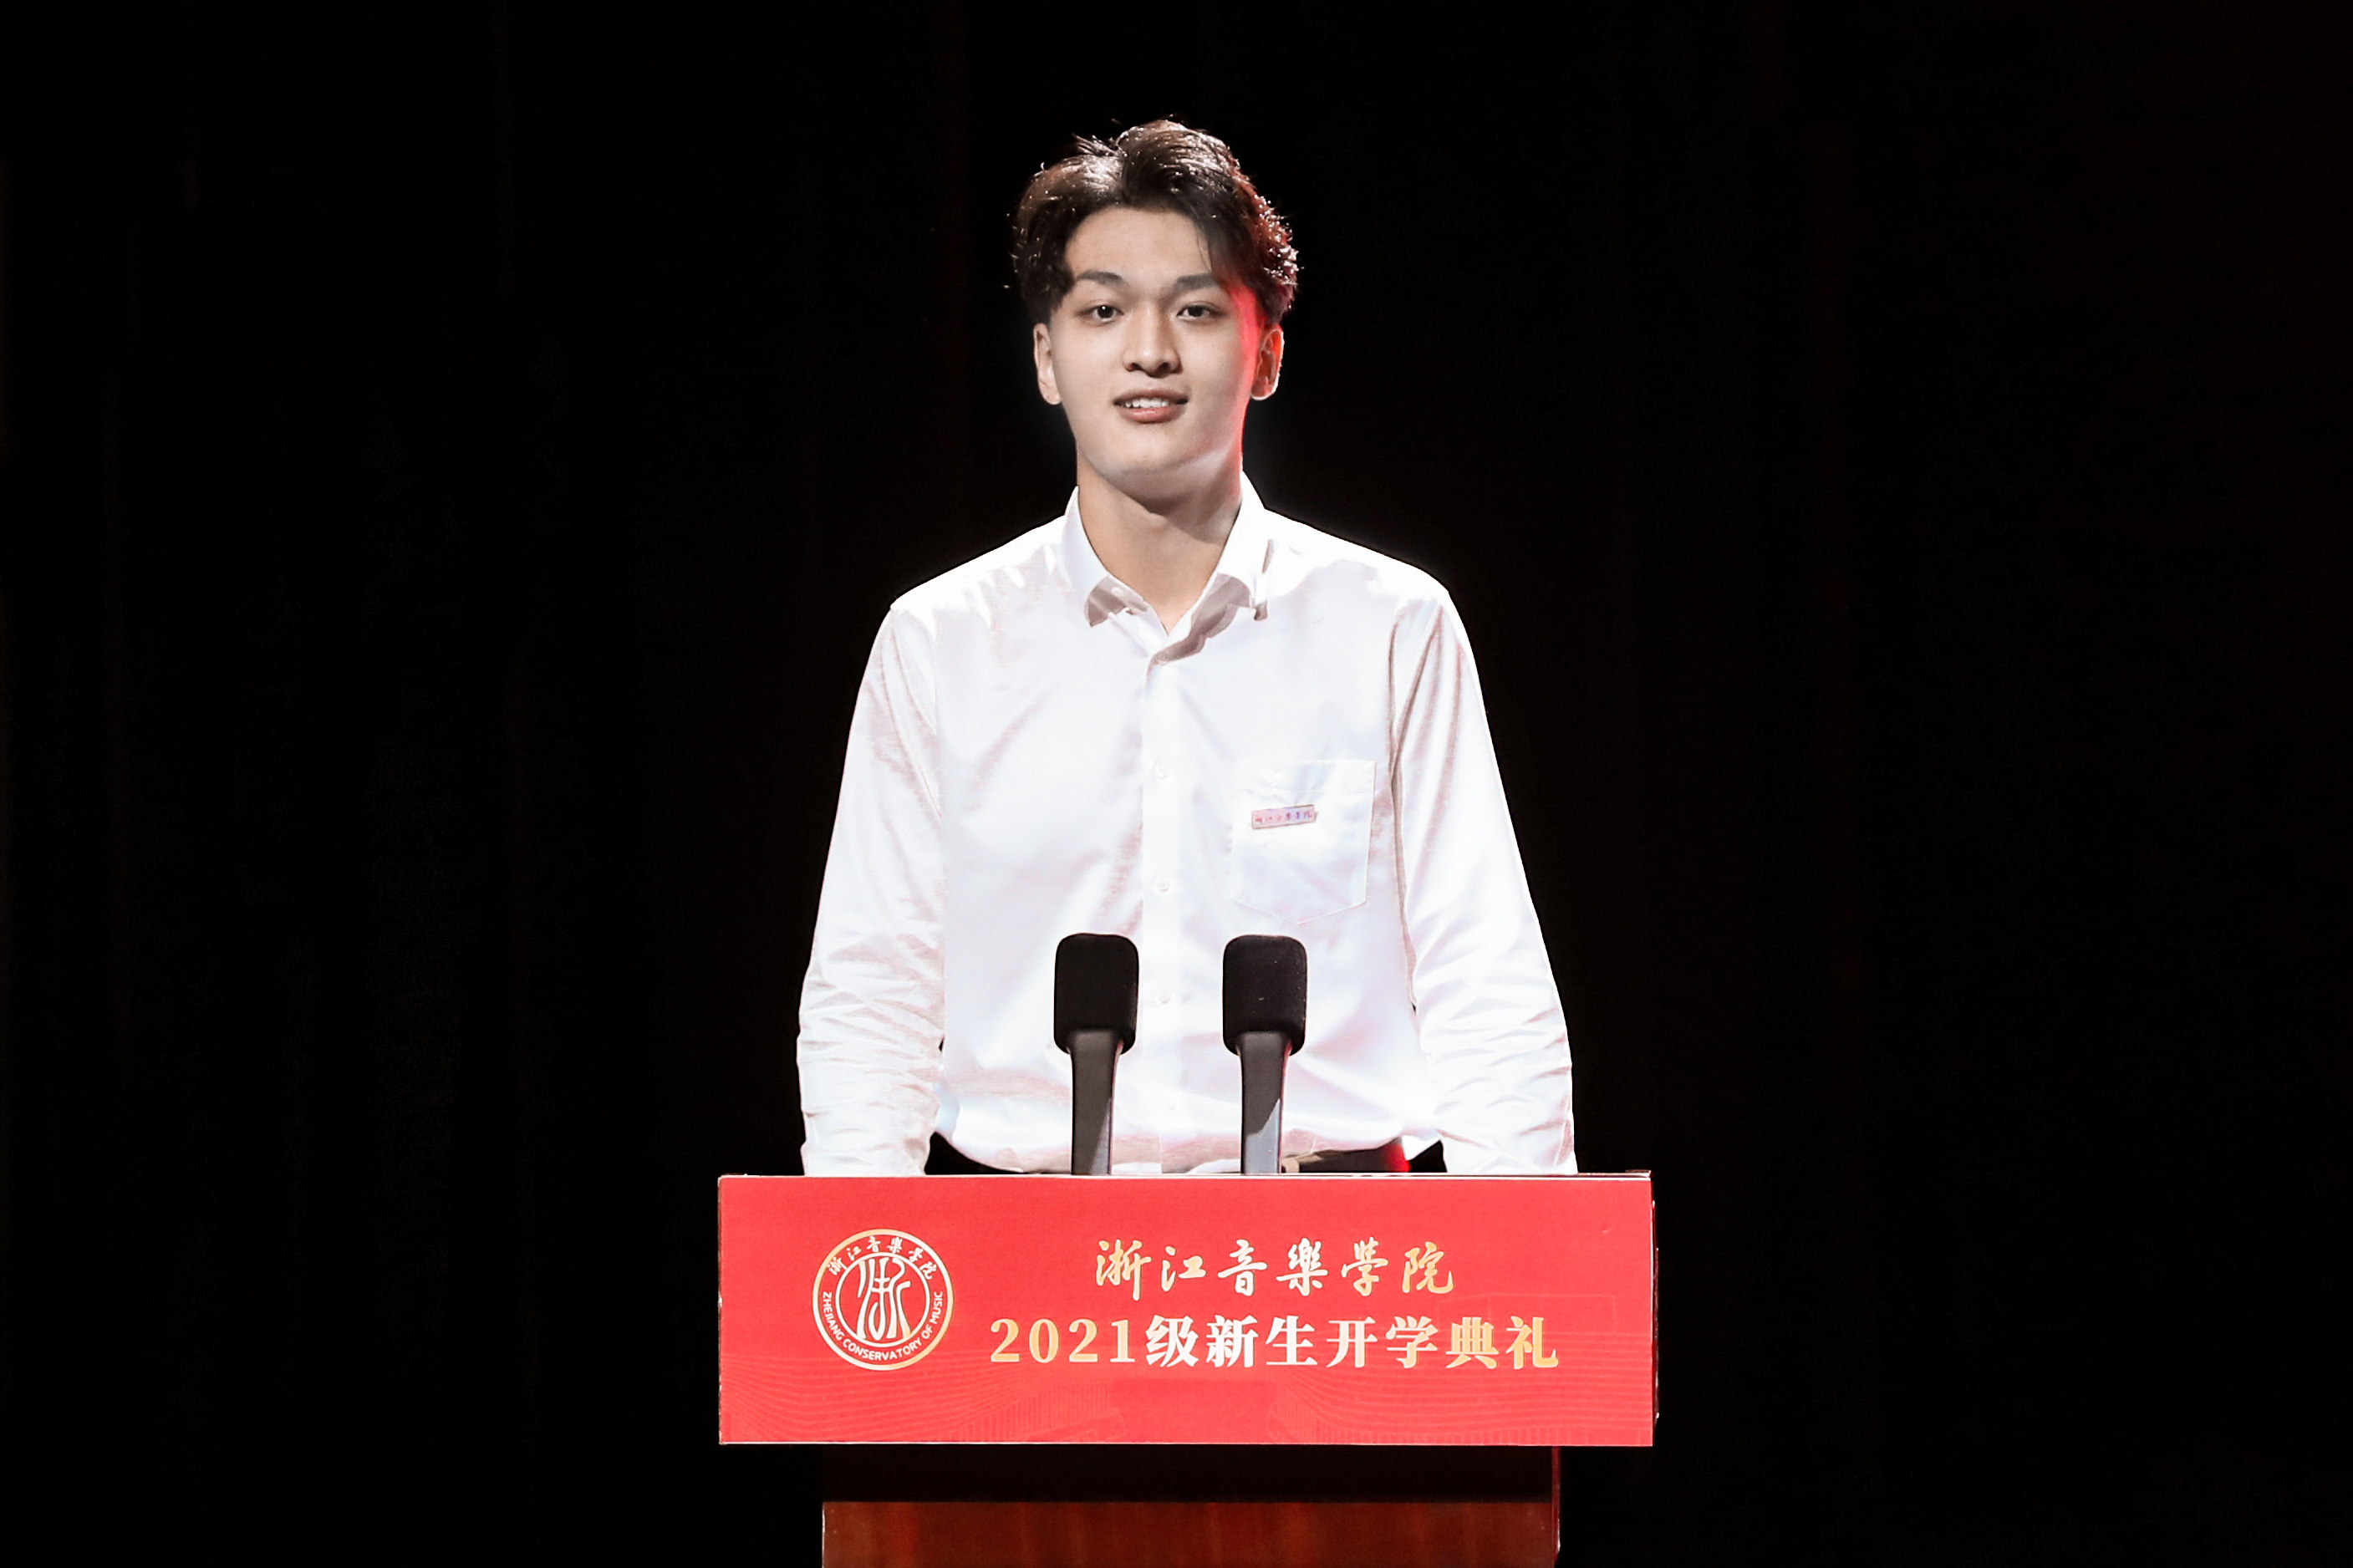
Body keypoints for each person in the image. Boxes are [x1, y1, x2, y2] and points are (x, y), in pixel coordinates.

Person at [797, 120, 1573, 1175]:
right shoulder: (942, 643)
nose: (1149, 350)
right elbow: (872, 991)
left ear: (1267, 354)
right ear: (1046, 358)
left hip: (1327, 1246)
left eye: (1197, 309)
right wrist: (863, 1242)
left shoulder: (1389, 626)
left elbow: (1481, 973)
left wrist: (1519, 1247)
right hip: (1024, 1246)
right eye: (1102, 309)